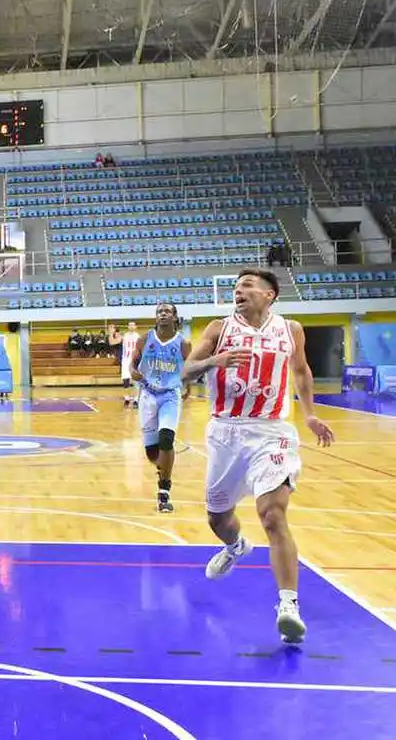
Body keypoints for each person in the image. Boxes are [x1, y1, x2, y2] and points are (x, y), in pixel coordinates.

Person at [181, 268, 334, 645]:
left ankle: (288, 605)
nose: (239, 291)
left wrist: (310, 413)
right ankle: (235, 546)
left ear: (270, 294)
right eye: (236, 287)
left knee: (272, 514)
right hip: (226, 432)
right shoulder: (218, 329)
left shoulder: (291, 329)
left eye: (247, 286)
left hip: (272, 432)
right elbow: (184, 371)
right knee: (218, 517)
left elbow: (300, 371)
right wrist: (213, 363)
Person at [129, 303, 190, 514]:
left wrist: (187, 385)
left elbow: (189, 367)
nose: (162, 314)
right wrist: (132, 371)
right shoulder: (145, 339)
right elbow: (133, 362)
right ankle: (162, 467)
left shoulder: (183, 343)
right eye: (159, 312)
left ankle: (164, 490)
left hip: (170, 396)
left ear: (174, 317)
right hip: (147, 395)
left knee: (166, 438)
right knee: (152, 452)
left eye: (167, 311)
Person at [120, 321, 141, 406]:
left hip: (134, 360)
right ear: (128, 327)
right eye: (130, 325)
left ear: (135, 327)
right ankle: (127, 398)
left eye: (133, 325)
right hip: (125, 360)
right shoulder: (124, 336)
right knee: (125, 381)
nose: (131, 326)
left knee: (136, 381)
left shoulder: (138, 336)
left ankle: (136, 400)